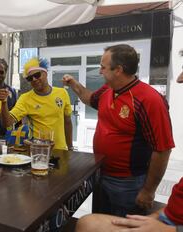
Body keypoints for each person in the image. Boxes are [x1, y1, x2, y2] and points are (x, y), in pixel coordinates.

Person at [62, 44, 175, 217]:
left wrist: (148, 191)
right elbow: (89, 98)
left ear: (118, 70)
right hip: (100, 174)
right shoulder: (109, 89)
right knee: (100, 225)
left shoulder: (149, 99)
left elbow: (162, 149)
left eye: (103, 66)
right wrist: (73, 84)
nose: (99, 71)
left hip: (128, 184)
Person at [0, 57, 73, 150]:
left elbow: (68, 122)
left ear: (45, 74)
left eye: (37, 75)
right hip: (38, 152)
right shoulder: (25, 98)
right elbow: (7, 123)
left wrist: (70, 148)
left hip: (61, 151)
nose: (34, 79)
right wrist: (4, 103)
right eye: (30, 78)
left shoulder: (62, 93)